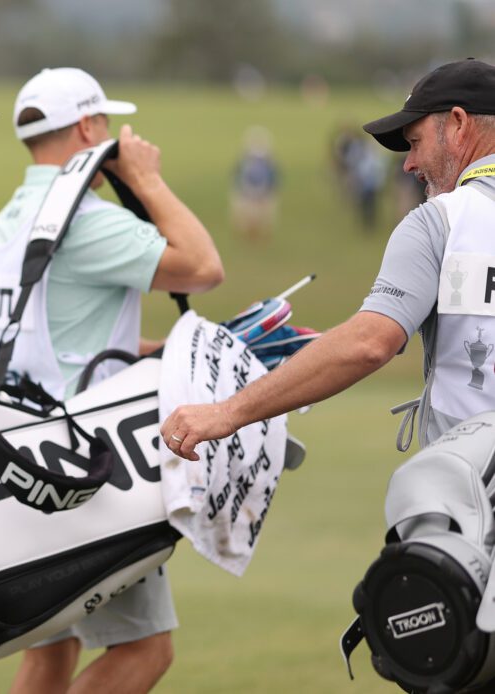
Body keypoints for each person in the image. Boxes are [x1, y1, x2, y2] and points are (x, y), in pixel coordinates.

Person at [0, 67, 224, 694]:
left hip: (23, 458)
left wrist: (157, 351)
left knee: (49, 656)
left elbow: (49, 332)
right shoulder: (83, 218)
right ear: (87, 127)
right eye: (104, 124)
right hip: (85, 470)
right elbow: (203, 267)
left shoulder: (13, 217)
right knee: (145, 650)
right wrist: (145, 179)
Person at [161, 58, 495, 462]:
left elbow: (370, 342)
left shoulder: (442, 219)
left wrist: (227, 412)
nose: (408, 165)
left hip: (475, 492)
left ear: (458, 124)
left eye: (415, 142)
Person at [230, 125, 279, 243]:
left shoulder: (268, 162)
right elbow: (238, 177)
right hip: (248, 192)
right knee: (248, 217)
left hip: (262, 193)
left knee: (263, 216)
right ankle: (251, 236)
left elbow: (273, 179)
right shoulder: (244, 162)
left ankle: (260, 237)